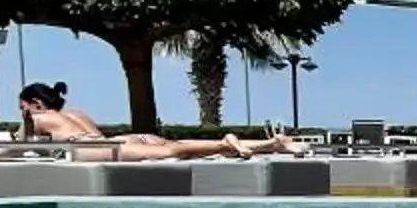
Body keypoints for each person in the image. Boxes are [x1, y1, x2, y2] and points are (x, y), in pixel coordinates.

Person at [17, 83, 304, 160]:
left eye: (23, 107)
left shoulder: (38, 117)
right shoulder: (77, 113)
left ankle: (224, 142)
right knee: (177, 144)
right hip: (126, 140)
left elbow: (20, 146)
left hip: (99, 149)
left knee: (175, 151)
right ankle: (273, 144)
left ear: (35, 104)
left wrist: (26, 122)